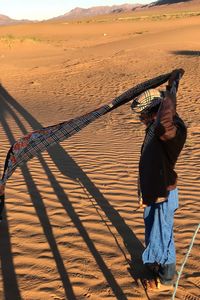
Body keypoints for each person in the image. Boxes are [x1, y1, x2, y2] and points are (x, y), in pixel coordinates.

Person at [131, 69, 187, 286]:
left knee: (163, 234)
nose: (141, 120)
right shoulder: (157, 126)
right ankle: (156, 263)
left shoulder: (171, 130)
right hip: (153, 190)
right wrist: (171, 87)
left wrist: (170, 93)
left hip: (163, 192)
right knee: (155, 230)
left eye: (143, 115)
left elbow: (166, 120)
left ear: (154, 112)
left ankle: (166, 278)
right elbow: (166, 114)